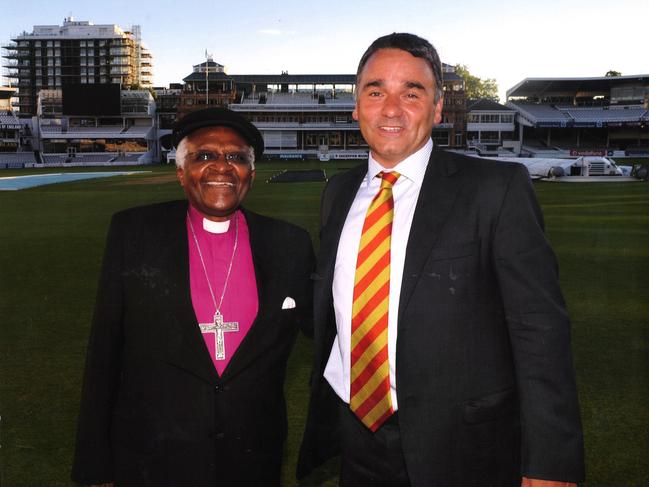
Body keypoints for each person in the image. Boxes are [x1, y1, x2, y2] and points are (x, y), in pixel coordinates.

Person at [298, 33, 585, 487]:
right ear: (356, 105)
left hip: (463, 446)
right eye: (376, 91)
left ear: (436, 109)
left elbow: (538, 328)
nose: (391, 109)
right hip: (357, 436)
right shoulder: (338, 192)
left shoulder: (496, 188)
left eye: (412, 93)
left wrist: (550, 460)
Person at [72, 107, 314, 487]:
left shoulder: (290, 243)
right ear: (181, 171)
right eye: (203, 156)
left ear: (252, 171)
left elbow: (330, 330)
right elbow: (104, 351)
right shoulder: (134, 233)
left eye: (237, 157)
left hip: (251, 457)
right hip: (153, 457)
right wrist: (94, 465)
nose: (222, 167)